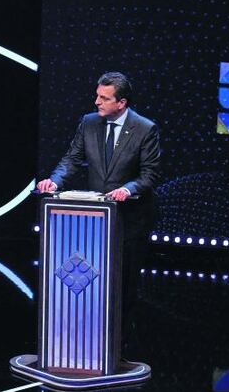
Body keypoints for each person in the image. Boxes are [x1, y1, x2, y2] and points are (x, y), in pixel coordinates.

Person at [36, 71, 161, 351]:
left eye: (104, 98)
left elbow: (150, 174)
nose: (97, 102)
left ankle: (119, 347)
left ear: (122, 103)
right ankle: (87, 341)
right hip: (96, 223)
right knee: (92, 281)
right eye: (97, 96)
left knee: (124, 288)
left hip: (130, 222)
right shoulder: (89, 123)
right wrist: (55, 180)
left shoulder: (145, 129)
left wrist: (127, 190)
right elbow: (72, 159)